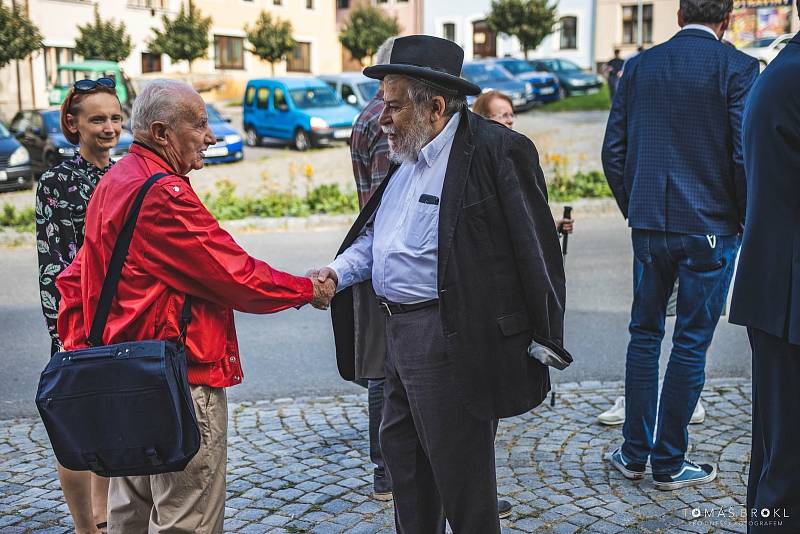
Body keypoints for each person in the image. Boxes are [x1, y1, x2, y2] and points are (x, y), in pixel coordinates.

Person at [311, 35, 569, 533]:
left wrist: (544, 338)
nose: (382, 119)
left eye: (393, 107)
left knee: (463, 480)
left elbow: (535, 250)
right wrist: (338, 272)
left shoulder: (498, 151)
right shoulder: (407, 155)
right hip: (399, 337)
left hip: (453, 336)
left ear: (433, 106)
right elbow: (378, 240)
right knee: (403, 461)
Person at [55, 79, 334, 533]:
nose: (211, 136)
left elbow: (78, 280)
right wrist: (306, 289)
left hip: (126, 374)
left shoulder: (117, 178)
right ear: (163, 132)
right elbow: (234, 274)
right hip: (174, 379)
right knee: (187, 518)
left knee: (132, 511)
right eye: (200, 125)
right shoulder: (163, 193)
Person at [601, 0, 758, 490]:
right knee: (691, 340)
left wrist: (639, 210)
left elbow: (614, 152)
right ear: (726, 19)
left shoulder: (639, 66)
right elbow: (741, 155)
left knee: (644, 335)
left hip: (651, 225)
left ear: (678, 16)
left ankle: (632, 453)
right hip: (711, 224)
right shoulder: (738, 67)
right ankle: (669, 461)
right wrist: (739, 218)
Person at [36, 77, 122, 534]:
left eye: (113, 117)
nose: (108, 127)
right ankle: (84, 527)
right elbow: (53, 265)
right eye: (97, 119)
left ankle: (106, 518)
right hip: (78, 324)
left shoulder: (124, 172)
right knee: (75, 436)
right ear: (74, 124)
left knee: (110, 431)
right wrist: (64, 335)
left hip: (125, 321)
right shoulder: (57, 181)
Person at [729, 24, 800, 534]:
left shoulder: (783, 71)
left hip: (782, 292)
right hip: (789, 299)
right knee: (786, 467)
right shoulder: (790, 76)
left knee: (778, 456)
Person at [347, 36, 394, 502]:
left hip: (376, 251)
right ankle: (388, 474)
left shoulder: (368, 116)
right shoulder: (385, 120)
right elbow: (386, 200)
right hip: (384, 254)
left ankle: (389, 472)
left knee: (383, 367)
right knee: (384, 369)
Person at [471, 90, 574, 236]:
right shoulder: (477, 158)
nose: (511, 120)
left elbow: (524, 210)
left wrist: (552, 227)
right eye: (504, 115)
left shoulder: (515, 151)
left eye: (512, 114)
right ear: (483, 118)